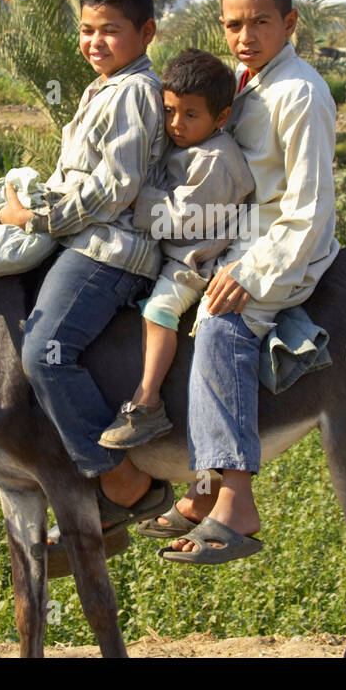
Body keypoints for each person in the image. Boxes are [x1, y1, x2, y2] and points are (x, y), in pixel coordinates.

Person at [0, 0, 173, 532]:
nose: (95, 42)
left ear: (146, 32)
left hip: (110, 250)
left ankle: (120, 481)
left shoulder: (133, 92)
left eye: (111, 31)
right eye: (86, 30)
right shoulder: (101, 88)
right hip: (82, 237)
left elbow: (113, 188)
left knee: (44, 352)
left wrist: (34, 217)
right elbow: (73, 177)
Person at [145, 0, 340, 564]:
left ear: (289, 23)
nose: (245, 36)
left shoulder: (301, 92)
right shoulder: (243, 81)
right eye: (233, 24)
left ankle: (236, 498)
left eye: (259, 22)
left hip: (284, 245)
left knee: (221, 325)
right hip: (232, 235)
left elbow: (308, 210)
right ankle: (199, 488)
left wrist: (249, 273)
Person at [99, 48, 255, 449]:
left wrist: (135, 200)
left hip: (193, 260)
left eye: (190, 115)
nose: (175, 124)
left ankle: (147, 401)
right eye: (169, 111)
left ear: (220, 117)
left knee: (158, 311)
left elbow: (184, 218)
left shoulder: (218, 160)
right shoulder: (186, 147)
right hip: (168, 249)